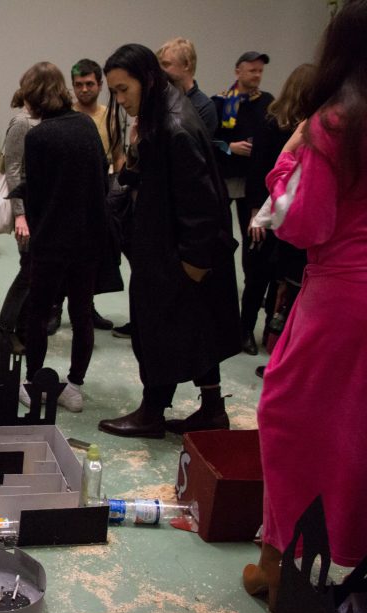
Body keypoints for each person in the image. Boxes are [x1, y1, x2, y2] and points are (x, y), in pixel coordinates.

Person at [244, 0, 367, 610]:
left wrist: (288, 158)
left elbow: (302, 223)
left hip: (342, 295)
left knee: (293, 421)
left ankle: (286, 567)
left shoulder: (337, 122)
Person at [97, 44, 240, 438]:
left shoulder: (174, 126)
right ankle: (211, 409)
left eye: (124, 89)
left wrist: (191, 265)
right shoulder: (163, 111)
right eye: (115, 91)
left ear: (146, 80)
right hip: (169, 247)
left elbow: (201, 202)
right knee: (195, 330)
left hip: (176, 254)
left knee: (158, 331)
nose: (119, 99)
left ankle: (152, 412)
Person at [19, 62, 108, 413]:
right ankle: (74, 385)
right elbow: (101, 181)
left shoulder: (37, 137)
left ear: (34, 96)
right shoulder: (86, 125)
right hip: (88, 239)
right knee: (81, 313)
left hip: (51, 241)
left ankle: (33, 383)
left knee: (38, 313)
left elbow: (36, 196)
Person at [243, 64, 315, 368]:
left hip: (288, 212)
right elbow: (258, 169)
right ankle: (245, 329)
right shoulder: (272, 122)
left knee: (280, 277)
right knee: (257, 274)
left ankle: (271, 332)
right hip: (267, 207)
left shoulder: (310, 126)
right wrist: (255, 213)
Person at [212, 50, 275, 355]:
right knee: (216, 240)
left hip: (254, 185)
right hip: (225, 180)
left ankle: (247, 314)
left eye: (260, 71)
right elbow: (209, 140)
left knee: (254, 249)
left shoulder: (267, 103)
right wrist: (230, 148)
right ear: (238, 71)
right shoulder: (224, 102)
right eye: (252, 71)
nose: (257, 76)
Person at [70, 58, 122, 331]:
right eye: (79, 84)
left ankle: (86, 307)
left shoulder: (110, 115)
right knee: (64, 254)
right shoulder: (65, 114)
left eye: (89, 84)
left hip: (100, 193)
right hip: (68, 195)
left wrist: (118, 192)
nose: (84, 89)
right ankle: (55, 307)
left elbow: (119, 155)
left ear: (100, 85)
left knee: (91, 257)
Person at [0, 71, 42, 357]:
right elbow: (13, 170)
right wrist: (20, 215)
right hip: (27, 209)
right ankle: (6, 329)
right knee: (29, 270)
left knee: (34, 271)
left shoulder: (44, 120)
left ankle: (21, 329)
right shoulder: (22, 122)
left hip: (41, 208)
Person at [157, 38, 218, 134]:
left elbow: (199, 143)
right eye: (159, 65)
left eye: (166, 64)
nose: (161, 70)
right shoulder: (160, 100)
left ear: (186, 65)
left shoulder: (204, 107)